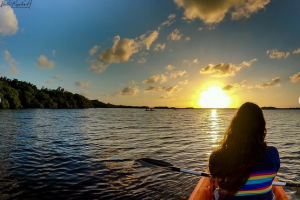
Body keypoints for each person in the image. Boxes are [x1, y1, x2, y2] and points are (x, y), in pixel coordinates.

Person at [209, 102, 280, 200]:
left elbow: (216, 176)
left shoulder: (216, 157)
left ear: (235, 127)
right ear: (261, 128)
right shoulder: (273, 154)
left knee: (216, 191)